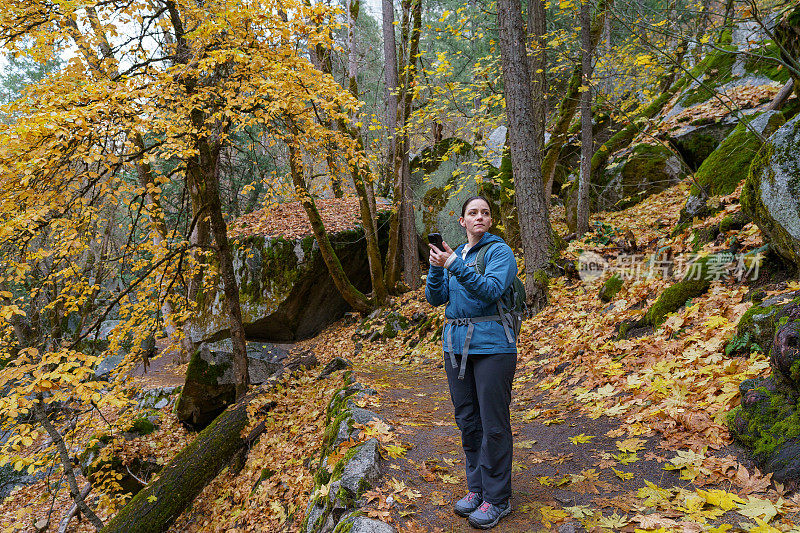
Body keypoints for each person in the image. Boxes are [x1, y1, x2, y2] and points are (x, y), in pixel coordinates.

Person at [425, 195, 518, 530]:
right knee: (468, 421)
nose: (480, 217)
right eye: (472, 213)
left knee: (493, 424)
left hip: (493, 347)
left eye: (486, 213)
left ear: (490, 221)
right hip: (455, 348)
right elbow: (436, 298)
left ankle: (498, 498)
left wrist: (453, 266)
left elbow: (489, 290)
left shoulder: (499, 252)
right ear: (462, 221)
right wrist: (438, 268)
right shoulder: (457, 255)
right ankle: (477, 489)